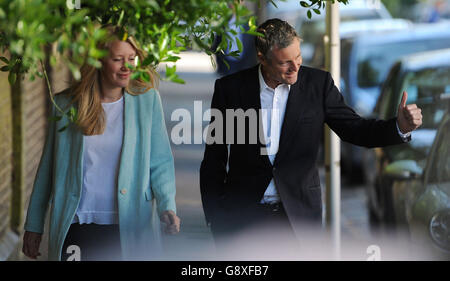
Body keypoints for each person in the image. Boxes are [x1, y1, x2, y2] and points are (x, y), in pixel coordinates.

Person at [199, 18, 422, 258]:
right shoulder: (230, 90)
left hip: (299, 219)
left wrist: (399, 127)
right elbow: (214, 158)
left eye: (298, 58)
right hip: (243, 218)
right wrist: (216, 218)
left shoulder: (318, 85)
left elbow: (355, 129)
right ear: (262, 58)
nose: (295, 68)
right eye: (285, 62)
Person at [22, 25, 180, 261]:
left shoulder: (147, 102)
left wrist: (167, 205)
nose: (126, 67)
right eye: (118, 59)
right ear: (98, 62)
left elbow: (160, 163)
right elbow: (47, 169)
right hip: (76, 225)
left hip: (129, 226)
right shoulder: (66, 105)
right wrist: (34, 224)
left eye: (131, 59)